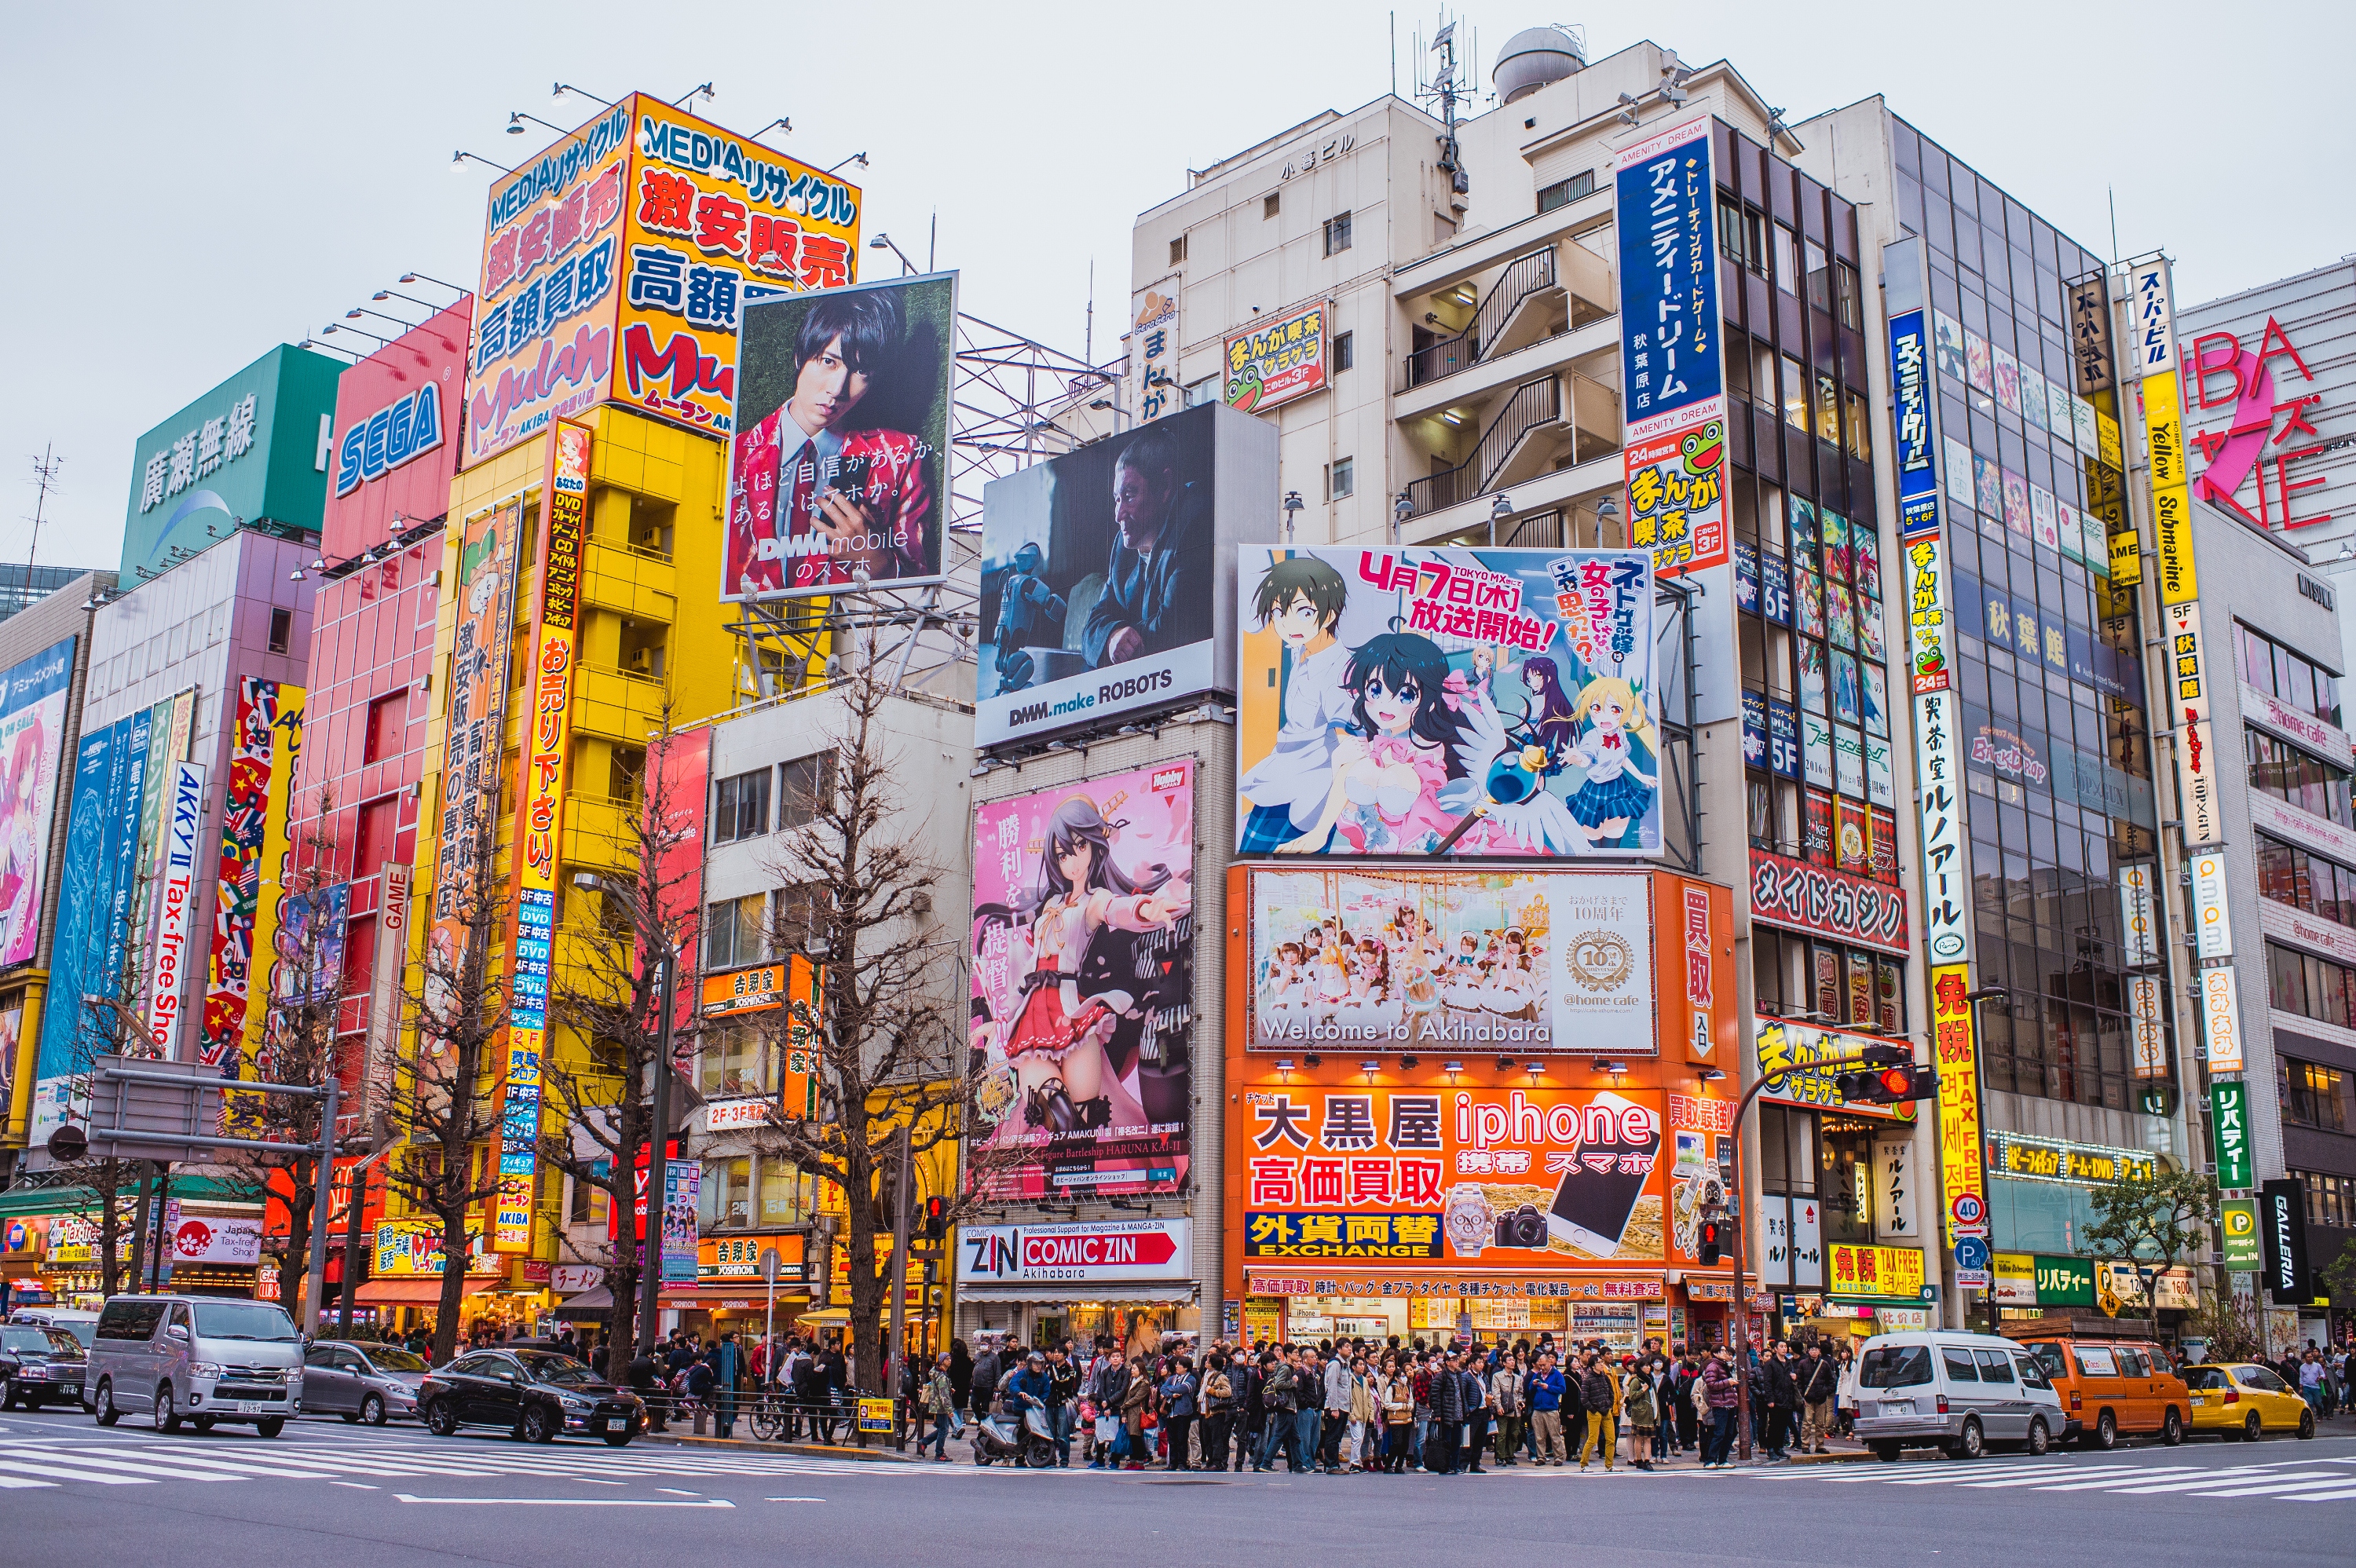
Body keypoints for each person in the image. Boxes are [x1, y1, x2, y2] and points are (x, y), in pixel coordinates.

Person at [726, 286, 934, 594]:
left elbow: (924, 595)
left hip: (847, 637)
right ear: (801, 356)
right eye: (829, 361)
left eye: (861, 371)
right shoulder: (736, 454)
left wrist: (879, 563)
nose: (837, 389)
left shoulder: (901, 456)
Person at [1238, 554, 1355, 853]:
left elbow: (1350, 754)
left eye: (1303, 612)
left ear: (1329, 615)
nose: (1287, 623)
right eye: (1278, 612)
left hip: (1309, 798)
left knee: (1283, 886)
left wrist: (1321, 830)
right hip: (1280, 782)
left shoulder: (1340, 674)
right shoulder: (1301, 651)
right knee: (1252, 879)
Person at [1081, 424, 1213, 669]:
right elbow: (1090, 630)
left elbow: (1173, 630)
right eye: (1116, 500)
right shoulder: (1122, 548)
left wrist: (1122, 633)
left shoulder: (1197, 521)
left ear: (1164, 487)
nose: (1119, 515)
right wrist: (1111, 639)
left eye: (1129, 496)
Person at [1577, 1352, 1619, 1472]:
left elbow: (1611, 1393)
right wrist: (1593, 1409)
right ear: (1593, 1366)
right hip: (1594, 1412)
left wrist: (1610, 1404)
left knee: (1611, 1438)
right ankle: (1584, 1464)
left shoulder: (1605, 1377)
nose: (1601, 1364)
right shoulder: (1588, 1379)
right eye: (1599, 1363)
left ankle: (1609, 1465)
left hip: (1606, 1411)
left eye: (1602, 1362)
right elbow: (1584, 1398)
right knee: (1592, 1439)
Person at [1701, 1347, 1740, 1468]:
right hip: (1720, 1404)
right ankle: (1710, 1460)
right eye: (1723, 1351)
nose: (1725, 1353)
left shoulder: (1725, 1365)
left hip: (1730, 1402)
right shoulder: (1713, 1366)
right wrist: (1728, 1382)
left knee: (1730, 1433)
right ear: (1715, 1353)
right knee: (1719, 1433)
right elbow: (1711, 1385)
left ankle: (1723, 1459)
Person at [1798, 1341, 1839, 1456]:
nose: (1814, 1352)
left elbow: (1831, 1381)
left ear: (1819, 1351)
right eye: (1812, 1349)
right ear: (1808, 1351)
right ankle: (1805, 1445)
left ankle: (1820, 1445)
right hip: (1808, 1398)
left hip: (1821, 1398)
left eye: (1816, 1349)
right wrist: (1802, 1396)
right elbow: (1799, 1382)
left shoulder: (1824, 1364)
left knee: (1821, 1423)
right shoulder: (1803, 1364)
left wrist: (1825, 1392)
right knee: (1807, 1422)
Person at [1528, 1351, 1568, 1465]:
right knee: (1539, 1436)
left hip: (1551, 1409)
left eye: (1544, 1365)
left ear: (1549, 1363)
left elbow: (1562, 1389)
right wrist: (1534, 1384)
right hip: (1538, 1409)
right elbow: (1530, 1389)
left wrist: (1548, 1387)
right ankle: (1541, 1457)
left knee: (1554, 1435)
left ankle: (1558, 1457)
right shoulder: (1537, 1375)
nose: (1542, 1367)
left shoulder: (1557, 1375)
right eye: (1540, 1365)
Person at [1159, 1356, 1198, 1471]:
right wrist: (1172, 1394)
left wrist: (1170, 1390)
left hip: (1183, 1413)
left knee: (1182, 1439)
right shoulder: (1172, 1378)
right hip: (1171, 1412)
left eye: (1179, 1365)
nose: (1176, 1366)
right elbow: (1163, 1389)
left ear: (1186, 1368)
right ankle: (1173, 1463)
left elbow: (1182, 1389)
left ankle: (1182, 1463)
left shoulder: (1191, 1379)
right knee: (1172, 1439)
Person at [1198, 1352, 1235, 1471]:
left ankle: (1217, 1462)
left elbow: (1228, 1392)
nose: (1206, 1363)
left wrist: (1213, 1391)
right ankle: (1211, 1461)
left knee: (1216, 1439)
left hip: (1216, 1412)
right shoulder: (1206, 1375)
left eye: (1208, 1361)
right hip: (1205, 1411)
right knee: (1207, 1439)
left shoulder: (1220, 1377)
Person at [1491, 1351, 1526, 1467]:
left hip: (1516, 1409)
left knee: (1514, 1433)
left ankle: (1510, 1455)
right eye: (1509, 1360)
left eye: (1513, 1360)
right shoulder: (1497, 1376)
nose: (1512, 1362)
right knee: (1502, 1434)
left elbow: (1520, 1393)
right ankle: (1500, 1457)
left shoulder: (1518, 1378)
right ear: (1504, 1363)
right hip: (1504, 1409)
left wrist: (1521, 1402)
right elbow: (1496, 1393)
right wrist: (1498, 1407)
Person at [1625, 1357, 1658, 1471]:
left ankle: (1647, 1460)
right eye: (1645, 1366)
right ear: (1640, 1367)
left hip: (1650, 1411)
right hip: (1639, 1412)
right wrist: (1642, 1390)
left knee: (1648, 1438)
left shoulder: (1650, 1379)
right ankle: (1639, 1460)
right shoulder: (1636, 1380)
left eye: (1649, 1365)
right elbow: (1632, 1396)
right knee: (1639, 1437)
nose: (1648, 1368)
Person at [924, 1352, 957, 1460]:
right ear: (942, 1361)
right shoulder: (942, 1376)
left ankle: (923, 1443)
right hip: (941, 1406)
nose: (949, 1360)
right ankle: (939, 1453)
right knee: (944, 1430)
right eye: (947, 1359)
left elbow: (940, 1390)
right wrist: (949, 1410)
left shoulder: (938, 1373)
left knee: (943, 1428)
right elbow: (944, 1395)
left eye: (950, 1358)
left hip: (937, 1404)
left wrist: (949, 1389)